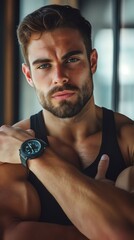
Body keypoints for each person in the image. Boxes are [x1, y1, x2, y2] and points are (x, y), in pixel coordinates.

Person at [0, 4, 134, 240]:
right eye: (44, 66)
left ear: (92, 61)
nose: (59, 76)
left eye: (71, 59)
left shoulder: (128, 139)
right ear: (29, 75)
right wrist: (104, 210)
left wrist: (34, 156)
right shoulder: (9, 149)